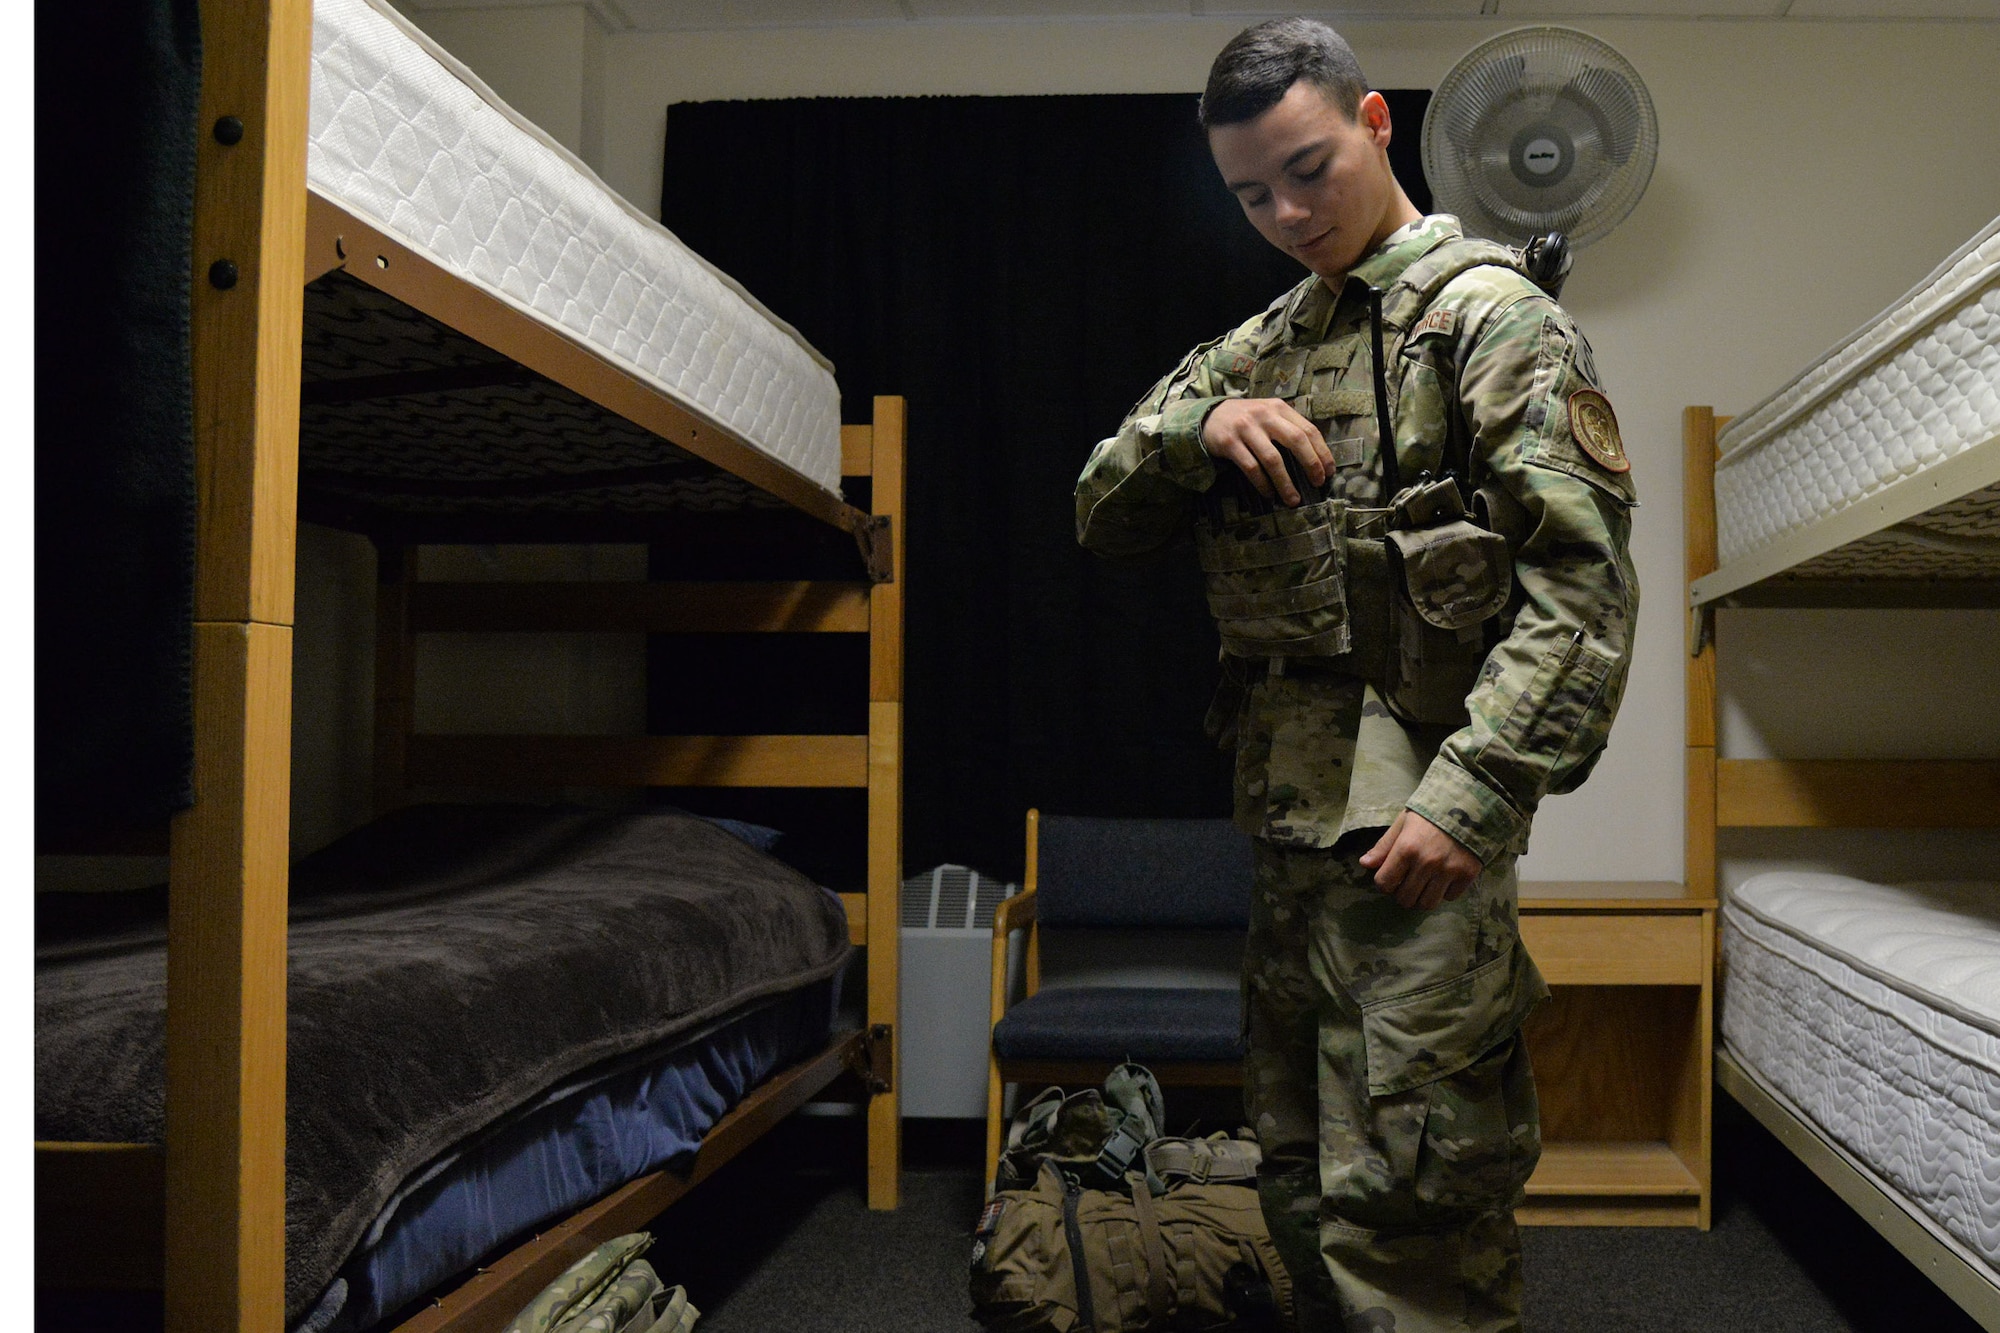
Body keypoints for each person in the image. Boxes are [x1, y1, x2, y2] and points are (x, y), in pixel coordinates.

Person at [1074, 17, 1640, 1332]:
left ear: (1376, 123)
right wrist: (1190, 429)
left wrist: (1478, 792)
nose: (1283, 211)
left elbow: (1582, 585)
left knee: (1415, 1200)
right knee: (1296, 1179)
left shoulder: (1493, 325)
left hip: (1417, 837)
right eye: (1250, 192)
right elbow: (1100, 512)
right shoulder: (1261, 345)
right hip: (1282, 827)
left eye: (1308, 169)